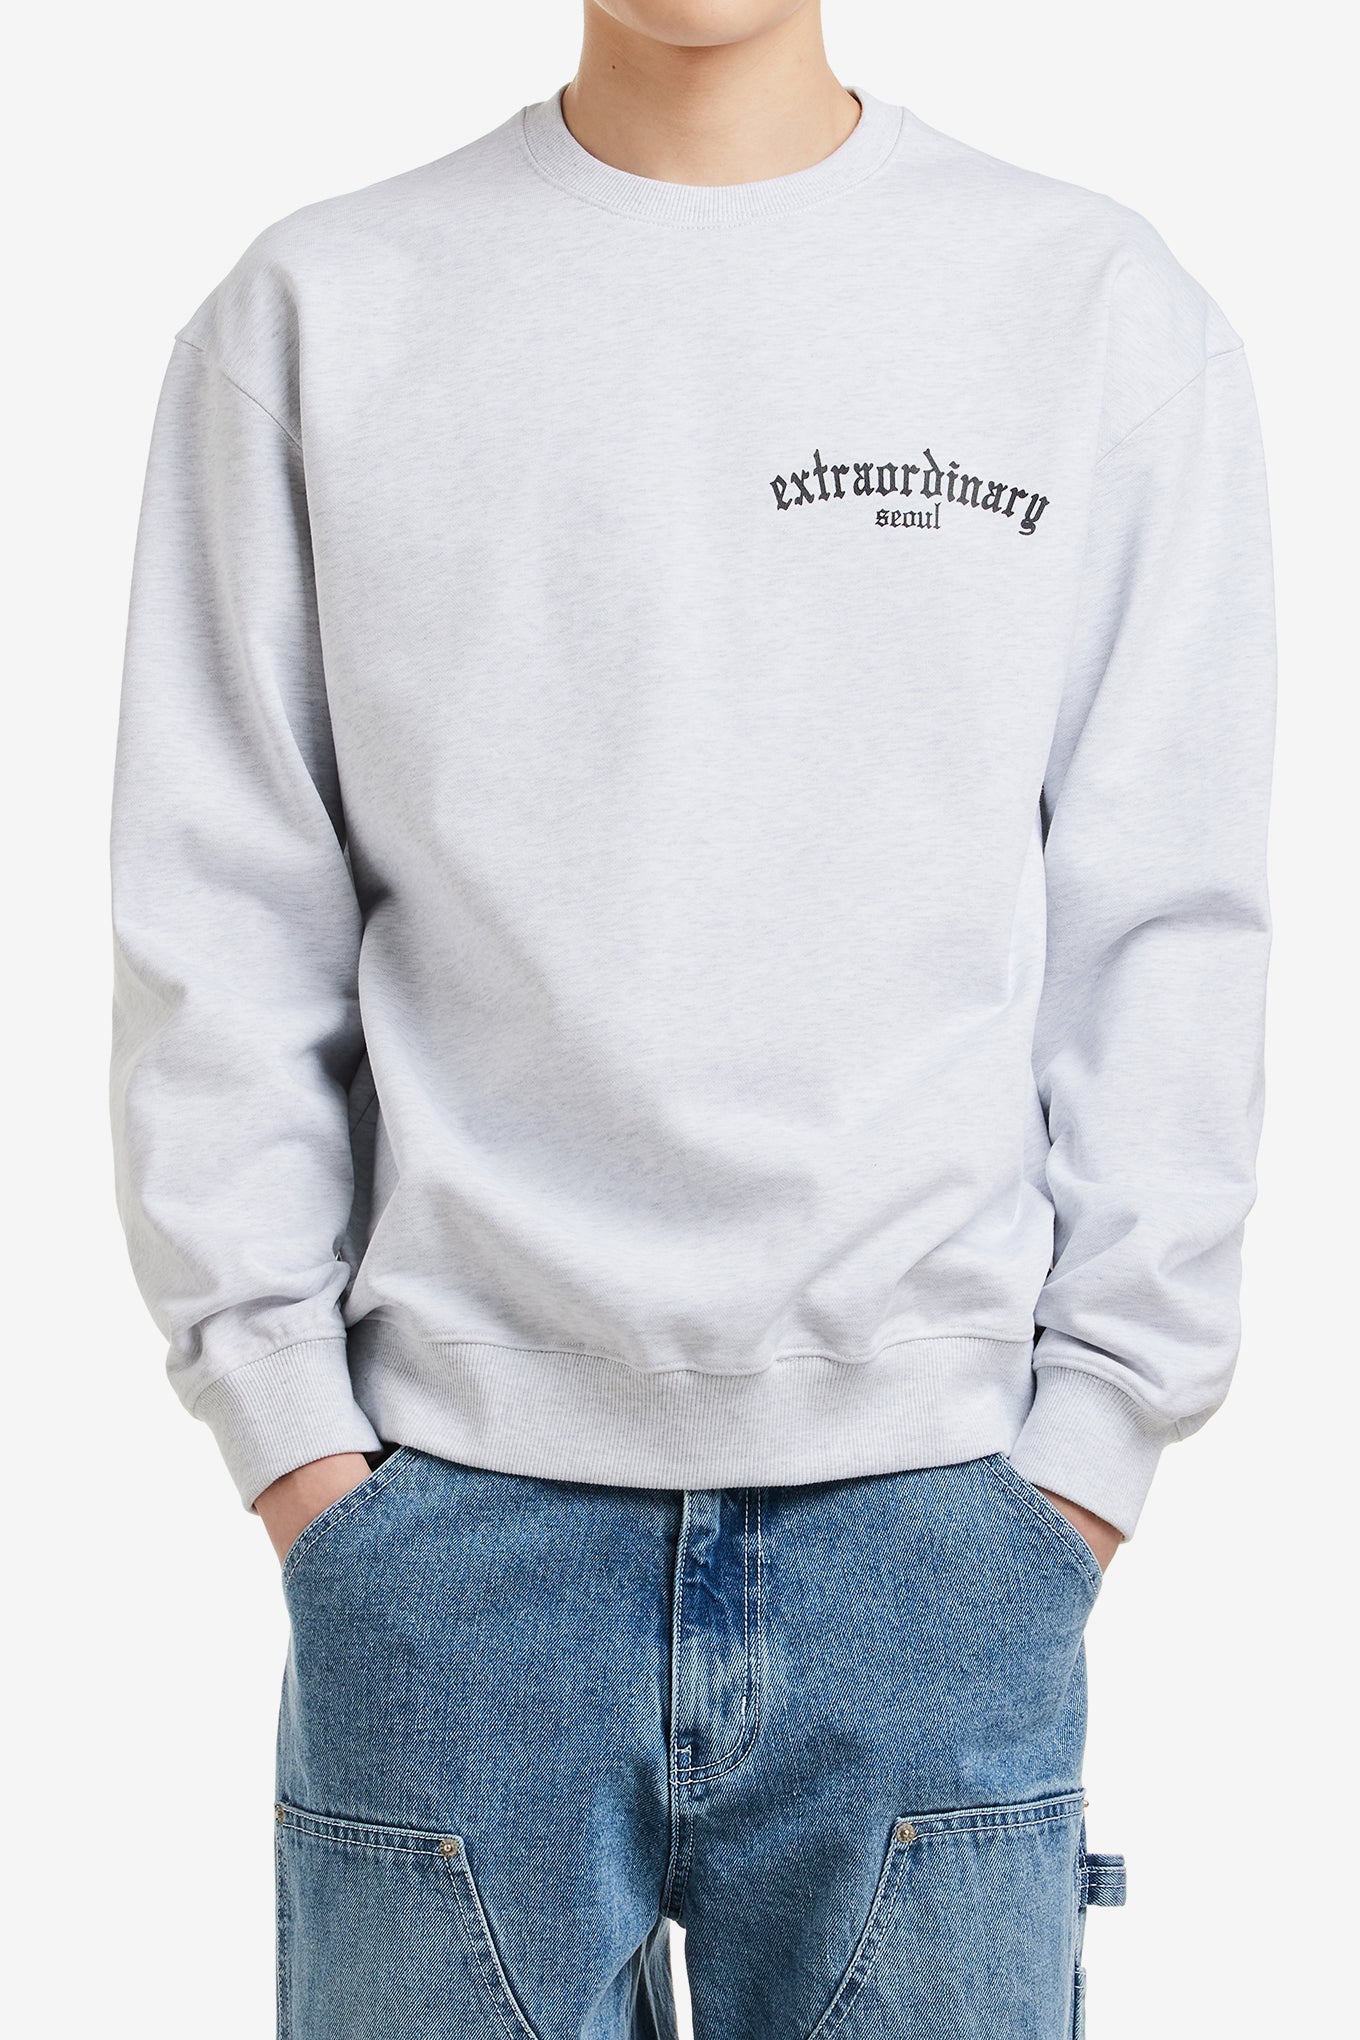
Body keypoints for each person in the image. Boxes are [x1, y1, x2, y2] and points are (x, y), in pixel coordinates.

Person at [107, 3, 1275, 2034]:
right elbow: (225, 914)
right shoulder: (317, 313)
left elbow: (1163, 921)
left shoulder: (1091, 311)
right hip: (446, 1536)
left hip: (934, 1533)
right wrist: (296, 1440)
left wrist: (1085, 1453)